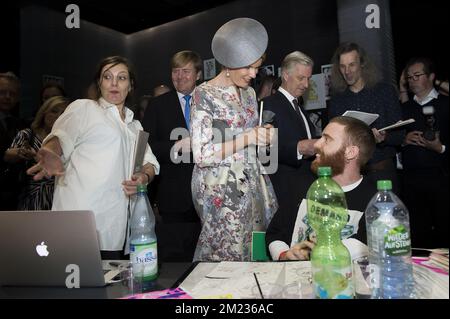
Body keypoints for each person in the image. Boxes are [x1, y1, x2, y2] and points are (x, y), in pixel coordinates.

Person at [27, 56, 160, 259]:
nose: (114, 83)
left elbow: (149, 163)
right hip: (80, 226)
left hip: (117, 229)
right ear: (100, 83)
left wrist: (143, 178)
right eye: (107, 77)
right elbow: (62, 136)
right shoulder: (84, 109)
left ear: (130, 85)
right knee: (73, 286)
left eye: (121, 78)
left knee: (112, 288)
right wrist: (52, 152)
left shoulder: (135, 126)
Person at [191, 18, 278, 261]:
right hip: (223, 189)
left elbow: (250, 133)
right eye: (248, 68)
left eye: (257, 67)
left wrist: (262, 135)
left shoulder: (249, 93)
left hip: (253, 182)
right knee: (227, 255)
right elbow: (202, 155)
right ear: (228, 63)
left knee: (255, 250)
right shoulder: (203, 94)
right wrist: (247, 137)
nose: (253, 74)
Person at [266, 116, 377, 261]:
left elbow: (364, 246)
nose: (317, 144)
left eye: (327, 139)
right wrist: (283, 254)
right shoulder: (303, 183)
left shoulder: (374, 201)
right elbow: (275, 232)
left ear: (350, 152)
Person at [142, 50, 202, 262]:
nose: (179, 76)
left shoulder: (210, 103)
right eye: (175, 71)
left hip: (209, 194)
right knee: (176, 261)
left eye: (186, 71)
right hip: (173, 196)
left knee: (205, 259)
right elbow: (146, 148)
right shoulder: (158, 105)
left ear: (198, 74)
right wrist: (175, 146)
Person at [328, 42, 404, 192]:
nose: (347, 71)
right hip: (350, 176)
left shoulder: (384, 91)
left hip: (383, 175)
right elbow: (333, 143)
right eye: (343, 66)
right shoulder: (337, 100)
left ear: (362, 64)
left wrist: (384, 138)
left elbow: (400, 136)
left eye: (352, 65)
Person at [262, 51, 319, 236]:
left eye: (308, 79)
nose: (306, 84)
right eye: (301, 78)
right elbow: (264, 152)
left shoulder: (299, 107)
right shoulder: (269, 105)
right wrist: (299, 148)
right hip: (284, 194)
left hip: (304, 192)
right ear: (285, 75)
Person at [400, 57, 448, 248]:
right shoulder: (403, 109)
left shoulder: (446, 104)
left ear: (431, 77)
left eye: (417, 75)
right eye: (409, 77)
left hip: (442, 177)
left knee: (445, 229)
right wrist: (403, 140)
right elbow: (391, 141)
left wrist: (440, 148)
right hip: (412, 180)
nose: (412, 80)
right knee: (418, 234)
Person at [4, 96, 69, 210]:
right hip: (32, 198)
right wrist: (23, 154)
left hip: (61, 199)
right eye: (54, 111)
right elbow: (10, 159)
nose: (58, 116)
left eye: (63, 113)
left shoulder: (68, 141)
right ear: (44, 113)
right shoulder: (27, 135)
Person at [0, 72, 26, 210]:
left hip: (14, 197)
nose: (7, 97)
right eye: (2, 92)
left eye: (12, 93)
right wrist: (4, 155)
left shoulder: (20, 124)